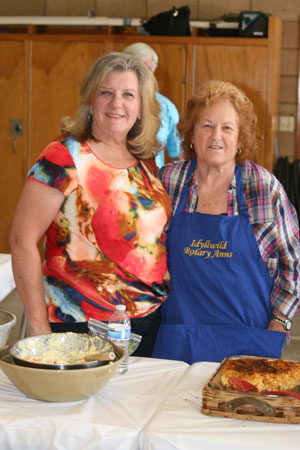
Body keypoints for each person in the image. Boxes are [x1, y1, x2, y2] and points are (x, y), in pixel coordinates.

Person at [9, 52, 172, 357]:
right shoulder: (64, 157)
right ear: (90, 101)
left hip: (149, 324)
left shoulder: (145, 160)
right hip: (81, 327)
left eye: (128, 95)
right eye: (105, 92)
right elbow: (21, 241)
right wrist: (39, 327)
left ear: (140, 108)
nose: (116, 103)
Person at [152, 80, 300, 364]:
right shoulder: (168, 181)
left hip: (250, 343)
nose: (215, 136)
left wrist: (280, 323)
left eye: (227, 127)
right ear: (191, 134)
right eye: (206, 125)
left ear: (240, 138)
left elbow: (294, 262)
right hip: (179, 342)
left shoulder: (263, 187)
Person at [123, 42, 181, 168]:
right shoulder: (113, 106)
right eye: (137, 69)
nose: (143, 75)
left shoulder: (166, 108)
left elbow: (178, 156)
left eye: (148, 69)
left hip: (153, 181)